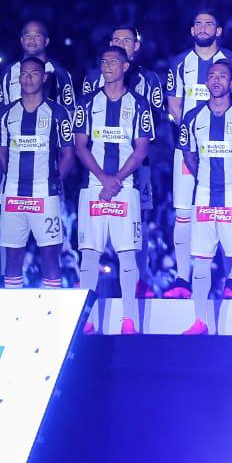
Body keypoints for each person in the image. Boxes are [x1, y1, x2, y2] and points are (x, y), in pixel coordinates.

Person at [165, 9, 232, 298]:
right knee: (184, 212)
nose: (203, 28)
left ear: (219, 29)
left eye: (209, 24)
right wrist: (194, 135)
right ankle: (181, 279)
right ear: (191, 30)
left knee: (226, 212)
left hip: (226, 151)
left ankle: (231, 281)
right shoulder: (179, 63)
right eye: (198, 23)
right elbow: (174, 106)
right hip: (189, 149)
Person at [74, 47, 154, 334]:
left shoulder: (139, 104)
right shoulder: (86, 104)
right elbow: (80, 146)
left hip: (126, 186)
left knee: (127, 255)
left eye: (113, 61)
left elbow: (141, 149)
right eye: (103, 61)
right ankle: (87, 320)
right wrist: (103, 178)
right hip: (94, 187)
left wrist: (116, 178)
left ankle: (128, 319)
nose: (107, 66)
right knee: (90, 255)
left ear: (126, 66)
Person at [179, 61, 232, 335]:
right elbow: (188, 155)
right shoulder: (191, 117)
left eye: (222, 76)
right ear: (205, 82)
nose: (216, 80)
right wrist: (204, 177)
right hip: (202, 196)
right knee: (201, 261)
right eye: (212, 76)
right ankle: (199, 321)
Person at [81, 23, 164, 298]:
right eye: (115, 40)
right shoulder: (92, 84)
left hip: (136, 170)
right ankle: (88, 308)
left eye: (126, 41)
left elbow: (151, 129)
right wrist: (105, 178)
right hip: (97, 176)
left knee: (136, 230)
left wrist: (118, 177)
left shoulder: (149, 81)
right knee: (92, 246)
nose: (120, 44)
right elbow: (82, 140)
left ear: (135, 48)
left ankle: (138, 286)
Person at [0, 56, 75, 291]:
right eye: (24, 74)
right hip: (13, 194)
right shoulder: (5, 113)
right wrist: (11, 176)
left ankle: (52, 314)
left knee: (50, 257)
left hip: (45, 193)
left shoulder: (58, 112)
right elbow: (0, 152)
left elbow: (68, 155)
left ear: (44, 77)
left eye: (34, 73)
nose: (29, 78)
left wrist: (55, 180)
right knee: (12, 259)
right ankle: (13, 314)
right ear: (19, 78)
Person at [0, 19, 75, 109]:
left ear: (46, 41)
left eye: (37, 36)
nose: (32, 40)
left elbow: (70, 111)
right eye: (27, 35)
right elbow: (2, 110)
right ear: (22, 40)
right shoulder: (8, 73)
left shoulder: (59, 73)